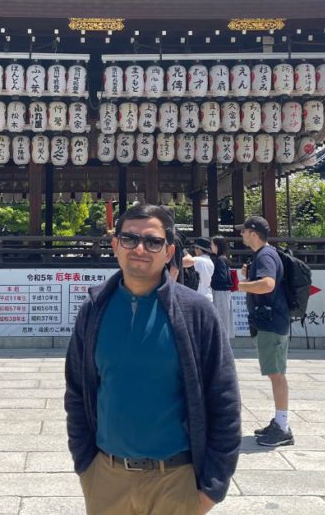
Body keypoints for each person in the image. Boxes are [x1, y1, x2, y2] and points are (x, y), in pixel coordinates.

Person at [65, 203, 241, 513]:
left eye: (153, 241)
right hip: (106, 478)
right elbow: (77, 392)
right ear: (115, 245)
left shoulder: (196, 313)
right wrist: (86, 466)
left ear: (168, 250)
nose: (140, 248)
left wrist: (212, 488)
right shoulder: (94, 310)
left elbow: (224, 400)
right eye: (130, 239)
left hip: (175, 480)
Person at [237, 215, 293, 448]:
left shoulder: (265, 255)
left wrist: (241, 285)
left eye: (243, 231)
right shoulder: (266, 254)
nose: (241, 235)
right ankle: (280, 423)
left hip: (271, 322)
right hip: (272, 321)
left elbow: (267, 284)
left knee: (276, 373)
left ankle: (283, 427)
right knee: (275, 372)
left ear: (253, 233)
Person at [208, 235, 235, 338]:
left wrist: (211, 279)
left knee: (221, 319)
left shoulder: (220, 259)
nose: (211, 246)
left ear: (217, 245)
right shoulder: (223, 258)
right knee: (223, 319)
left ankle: (223, 344)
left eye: (212, 244)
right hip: (223, 292)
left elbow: (222, 277)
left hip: (220, 292)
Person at [186, 237, 216, 301]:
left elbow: (180, 264)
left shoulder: (195, 260)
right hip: (208, 296)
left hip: (197, 296)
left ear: (199, 249)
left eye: (195, 248)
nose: (195, 250)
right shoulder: (210, 262)